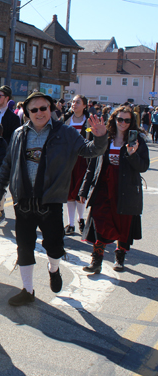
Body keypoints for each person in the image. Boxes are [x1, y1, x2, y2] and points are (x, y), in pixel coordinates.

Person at [0, 92, 108, 306]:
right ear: (27, 112)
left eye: (43, 108)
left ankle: (54, 269)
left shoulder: (65, 133)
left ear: (51, 109)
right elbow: (7, 164)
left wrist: (100, 137)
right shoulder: (18, 134)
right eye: (33, 109)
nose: (39, 113)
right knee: (24, 247)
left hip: (51, 200)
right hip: (23, 200)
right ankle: (27, 290)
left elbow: (89, 151)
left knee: (54, 246)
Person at [79, 106, 149, 273]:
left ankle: (120, 257)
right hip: (104, 187)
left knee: (124, 224)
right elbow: (93, 165)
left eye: (127, 120)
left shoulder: (137, 140)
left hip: (126, 189)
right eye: (120, 119)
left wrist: (132, 154)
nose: (123, 123)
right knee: (100, 221)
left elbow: (143, 166)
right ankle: (96, 261)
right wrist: (84, 188)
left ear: (131, 122)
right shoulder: (106, 138)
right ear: (114, 120)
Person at [62, 95, 91, 236]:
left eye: (77, 102)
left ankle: (81, 219)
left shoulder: (89, 121)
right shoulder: (66, 120)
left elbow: (94, 141)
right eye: (73, 102)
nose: (74, 104)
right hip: (69, 159)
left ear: (85, 105)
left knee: (80, 191)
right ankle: (71, 224)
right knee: (69, 193)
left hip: (83, 160)